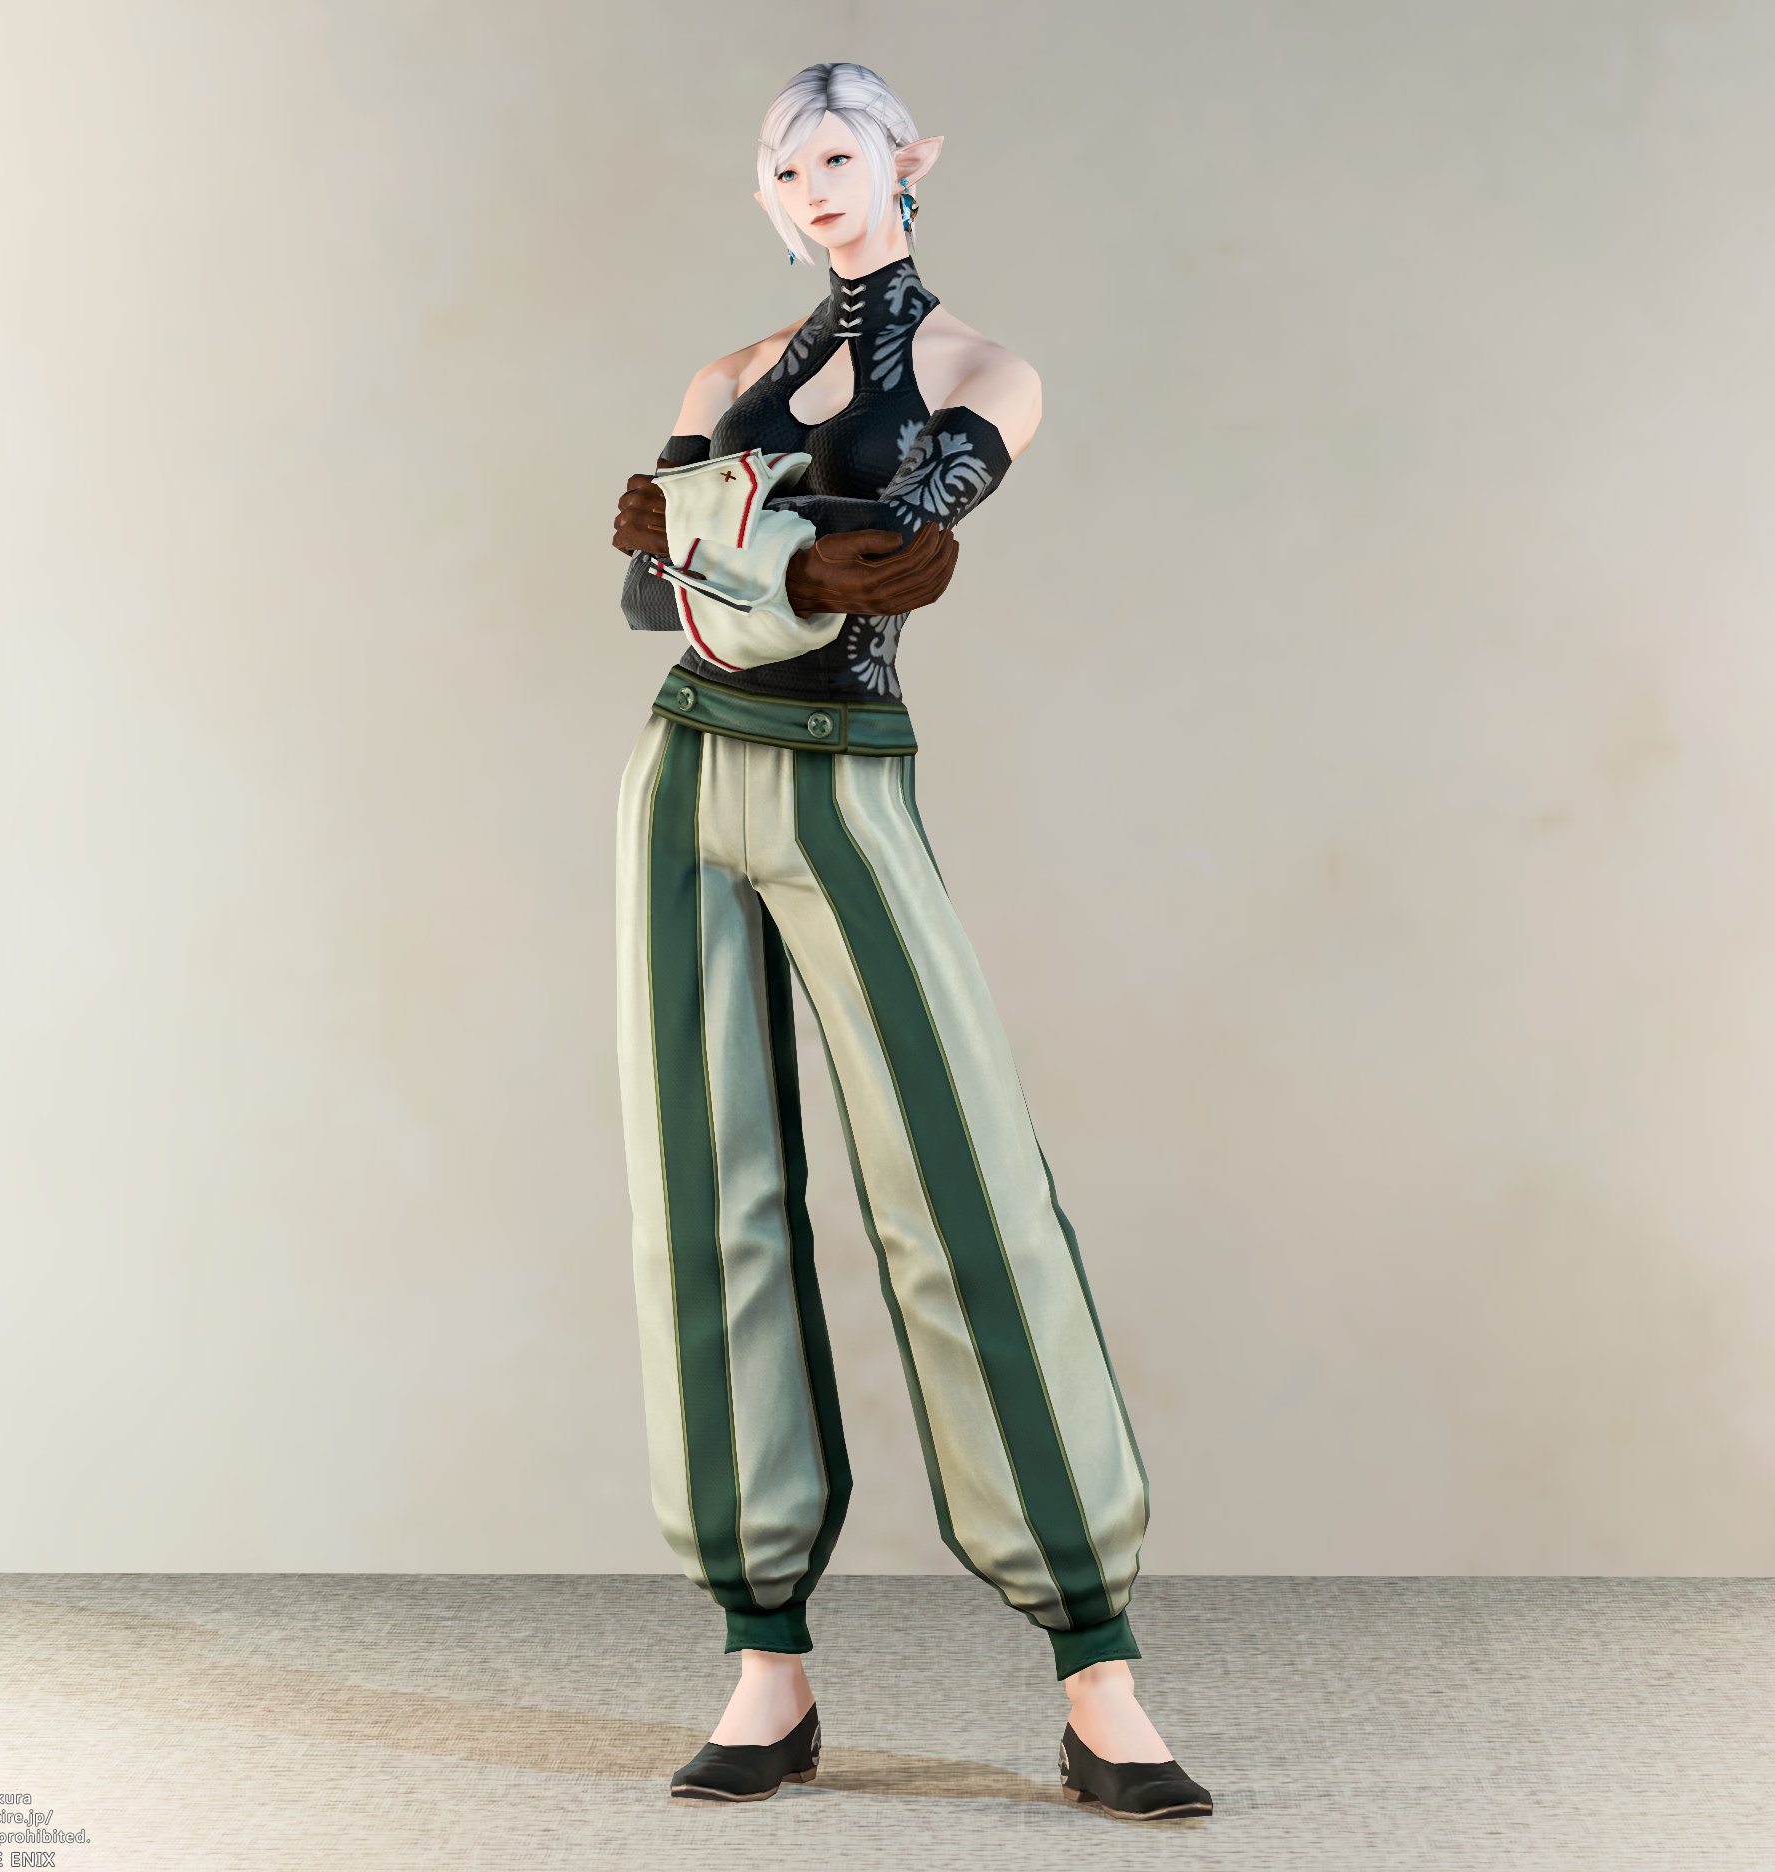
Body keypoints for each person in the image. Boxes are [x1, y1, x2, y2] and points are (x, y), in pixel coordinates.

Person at [609, 61, 1213, 1823]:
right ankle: (764, 1660)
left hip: (844, 774)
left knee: (962, 1193)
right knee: (703, 1193)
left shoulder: (982, 374)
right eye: (785, 165)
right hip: (683, 776)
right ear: (765, 195)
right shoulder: (726, 373)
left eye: (840, 152)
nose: (813, 186)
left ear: (906, 163)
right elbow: (650, 594)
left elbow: (900, 538)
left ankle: (1099, 1671)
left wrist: (731, 538)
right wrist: (775, 557)